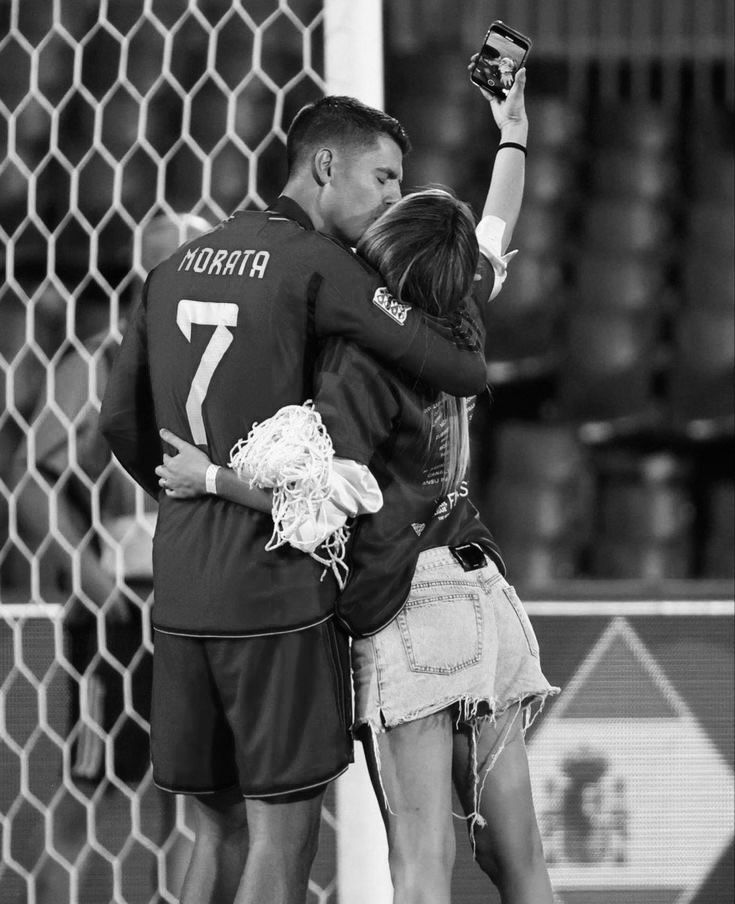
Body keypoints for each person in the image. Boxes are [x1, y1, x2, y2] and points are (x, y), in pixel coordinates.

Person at [156, 69, 558, 904]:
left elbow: (319, 504)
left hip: (409, 606)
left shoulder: (357, 363)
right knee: (518, 863)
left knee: (417, 868)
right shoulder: (460, 309)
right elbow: (495, 223)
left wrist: (212, 477)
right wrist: (511, 131)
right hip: (487, 600)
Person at [9, 212, 212, 902]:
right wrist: (84, 568)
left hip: (203, 599)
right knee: (90, 787)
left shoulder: (226, 362)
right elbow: (30, 476)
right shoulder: (95, 362)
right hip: (119, 606)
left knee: (191, 793)